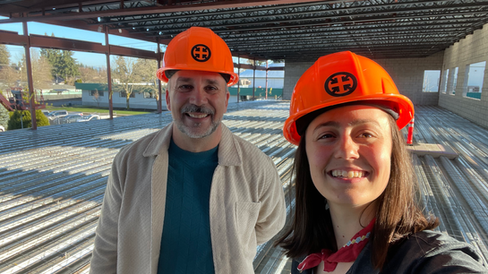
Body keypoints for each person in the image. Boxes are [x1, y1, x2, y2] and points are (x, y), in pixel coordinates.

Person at [89, 26, 286, 274]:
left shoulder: (257, 167)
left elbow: (269, 225)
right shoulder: (130, 163)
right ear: (168, 97)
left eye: (211, 88)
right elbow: (108, 245)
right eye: (185, 86)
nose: (197, 100)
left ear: (226, 99)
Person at [276, 51, 487, 273]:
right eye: (326, 135)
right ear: (306, 154)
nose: (347, 151)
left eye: (366, 134)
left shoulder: (426, 263)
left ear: (393, 149)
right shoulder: (306, 257)